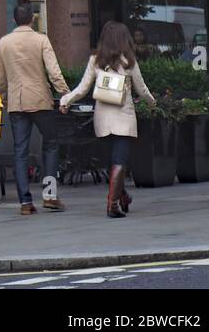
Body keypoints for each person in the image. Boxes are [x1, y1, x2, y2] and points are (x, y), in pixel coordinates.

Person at [59, 21, 156, 218]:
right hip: (124, 117)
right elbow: (142, 88)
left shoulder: (96, 61)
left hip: (102, 119)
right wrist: (153, 102)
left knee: (112, 162)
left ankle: (122, 197)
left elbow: (82, 88)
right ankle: (112, 205)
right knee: (119, 161)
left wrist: (66, 100)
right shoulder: (129, 61)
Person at [0, 3, 70, 215]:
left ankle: (25, 202)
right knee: (51, 144)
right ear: (32, 19)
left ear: (13, 20)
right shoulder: (41, 40)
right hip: (39, 100)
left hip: (17, 102)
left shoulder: (4, 43)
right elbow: (54, 72)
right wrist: (65, 93)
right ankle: (49, 195)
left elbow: (0, 78)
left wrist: (5, 97)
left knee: (20, 151)